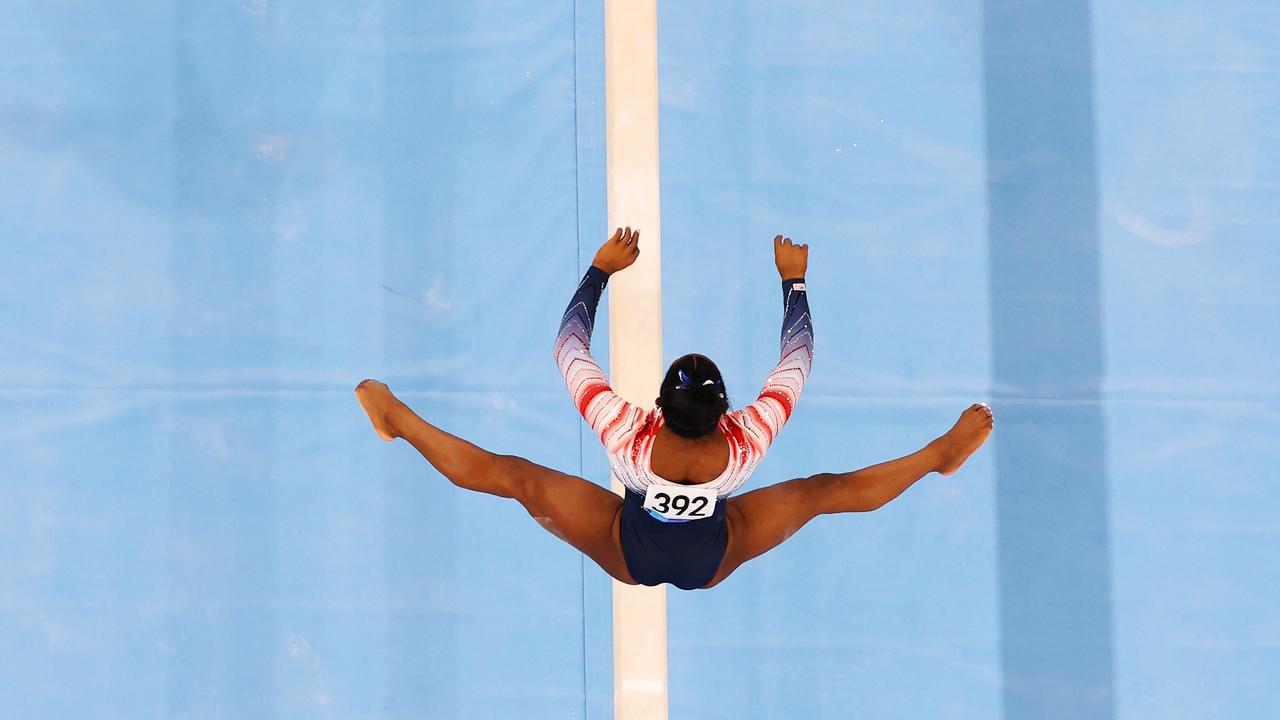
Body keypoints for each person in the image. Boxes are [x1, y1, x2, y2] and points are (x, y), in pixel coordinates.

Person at [355, 228, 993, 590]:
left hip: (626, 549)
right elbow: (797, 359)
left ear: (656, 404)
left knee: (515, 476)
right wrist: (793, 281)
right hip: (713, 556)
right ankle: (938, 456)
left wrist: (599, 272)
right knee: (826, 490)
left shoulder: (626, 435)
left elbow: (568, 345)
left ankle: (398, 419)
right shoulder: (746, 444)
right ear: (726, 412)